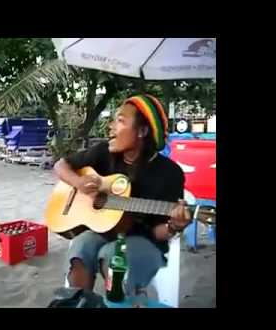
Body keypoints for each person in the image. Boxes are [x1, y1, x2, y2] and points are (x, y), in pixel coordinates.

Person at [53, 94, 191, 306]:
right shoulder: (103, 153)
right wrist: (78, 183)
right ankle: (77, 302)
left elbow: (158, 232)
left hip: (145, 241)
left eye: (120, 120)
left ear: (142, 132)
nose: (110, 127)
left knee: (114, 259)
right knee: (81, 246)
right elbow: (61, 165)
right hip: (103, 231)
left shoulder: (169, 173)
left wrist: (174, 226)